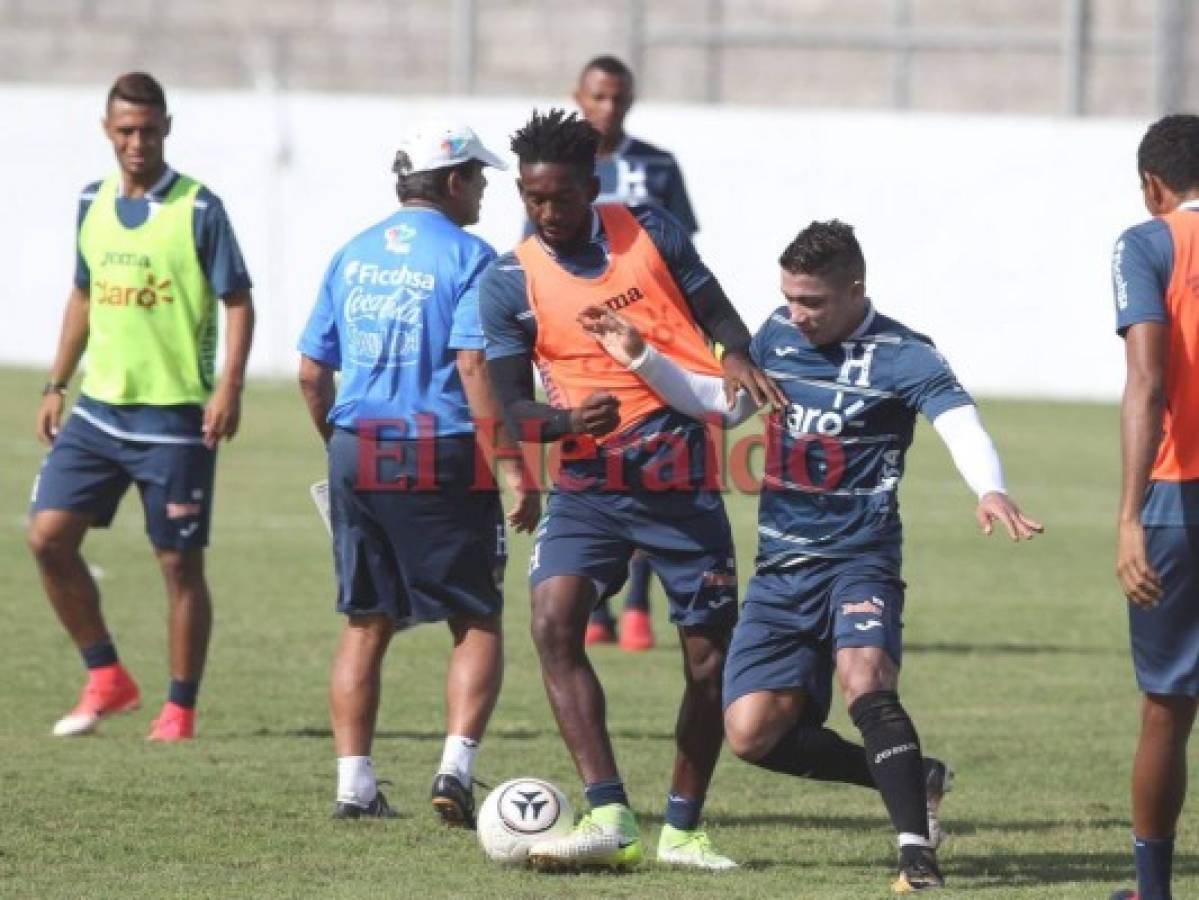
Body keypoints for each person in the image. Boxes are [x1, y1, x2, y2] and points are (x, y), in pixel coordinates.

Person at [579, 219, 1042, 893]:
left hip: (861, 560)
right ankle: (921, 776)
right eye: (789, 298)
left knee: (865, 681)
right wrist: (640, 357)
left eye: (812, 302)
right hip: (781, 572)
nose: (798, 314)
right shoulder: (775, 334)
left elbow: (958, 422)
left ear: (855, 289)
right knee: (751, 734)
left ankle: (917, 853)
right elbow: (721, 406)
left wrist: (990, 488)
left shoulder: (904, 353)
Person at [479, 108, 782, 871]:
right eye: (532, 198)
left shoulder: (650, 230)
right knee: (552, 623)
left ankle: (682, 828)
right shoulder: (507, 280)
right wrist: (562, 419)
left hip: (678, 469)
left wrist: (737, 353)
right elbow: (512, 406)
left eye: (560, 197)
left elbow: (710, 305)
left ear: (591, 185)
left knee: (708, 660)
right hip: (587, 479)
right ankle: (610, 812)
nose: (546, 213)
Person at [298, 121, 538, 823]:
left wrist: (338, 443)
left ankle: (353, 785)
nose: (486, 192)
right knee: (477, 618)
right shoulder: (472, 257)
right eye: (481, 179)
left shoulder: (353, 252)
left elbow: (314, 371)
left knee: (365, 620)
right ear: (454, 180)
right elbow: (471, 366)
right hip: (438, 448)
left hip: (356, 443)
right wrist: (511, 466)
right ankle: (456, 773)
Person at [27, 72, 255, 743]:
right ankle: (106, 676)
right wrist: (56, 382)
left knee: (178, 566)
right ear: (107, 129)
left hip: (176, 420)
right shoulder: (90, 201)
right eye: (125, 130)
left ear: (166, 129)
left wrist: (229, 386)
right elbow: (83, 295)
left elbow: (238, 301)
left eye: (148, 131)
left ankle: (179, 708)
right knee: (46, 538)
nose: (136, 142)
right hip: (99, 412)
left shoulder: (198, 208)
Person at [574, 53, 701, 652]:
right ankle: (594, 602)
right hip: (582, 346)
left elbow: (682, 256)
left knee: (655, 465)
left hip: (652, 340)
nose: (608, 108)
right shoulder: (561, 168)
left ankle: (639, 606)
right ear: (579, 96)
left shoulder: (657, 166)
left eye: (618, 98)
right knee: (596, 465)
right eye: (598, 97)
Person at [1109, 114, 1199, 900]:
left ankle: (1154, 890)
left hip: (1179, 497)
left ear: (1152, 187)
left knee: (1168, 702)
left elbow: (1145, 382)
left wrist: (1128, 516)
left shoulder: (1148, 242)